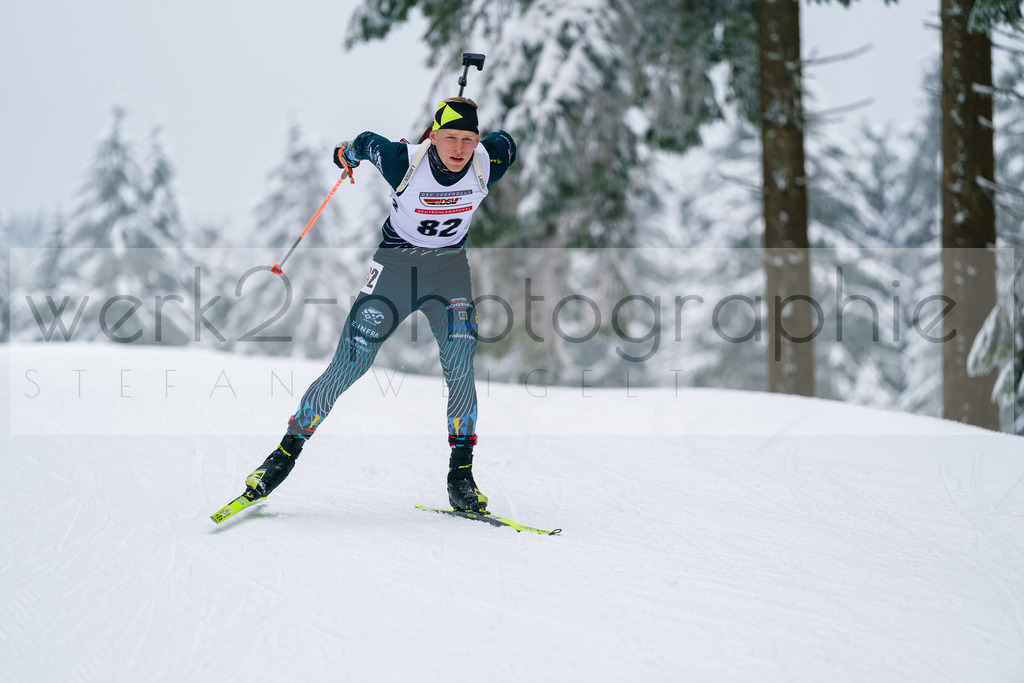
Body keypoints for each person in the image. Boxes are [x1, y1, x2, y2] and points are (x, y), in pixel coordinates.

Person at [243, 97, 516, 512]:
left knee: (460, 361)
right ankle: (281, 457)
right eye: (450, 139)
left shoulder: (487, 161)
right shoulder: (401, 160)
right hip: (395, 270)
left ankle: (461, 476)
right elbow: (366, 141)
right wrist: (345, 153)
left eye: (467, 139)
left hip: (449, 272)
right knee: (351, 362)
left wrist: (473, 115)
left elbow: (507, 141)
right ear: (433, 137)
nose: (459, 149)